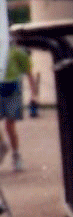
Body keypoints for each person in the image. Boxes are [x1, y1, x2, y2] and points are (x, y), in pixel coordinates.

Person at [0, 42, 36, 172]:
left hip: (13, 90)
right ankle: (3, 145)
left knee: (9, 126)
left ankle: (16, 155)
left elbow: (28, 72)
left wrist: (33, 94)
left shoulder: (17, 52)